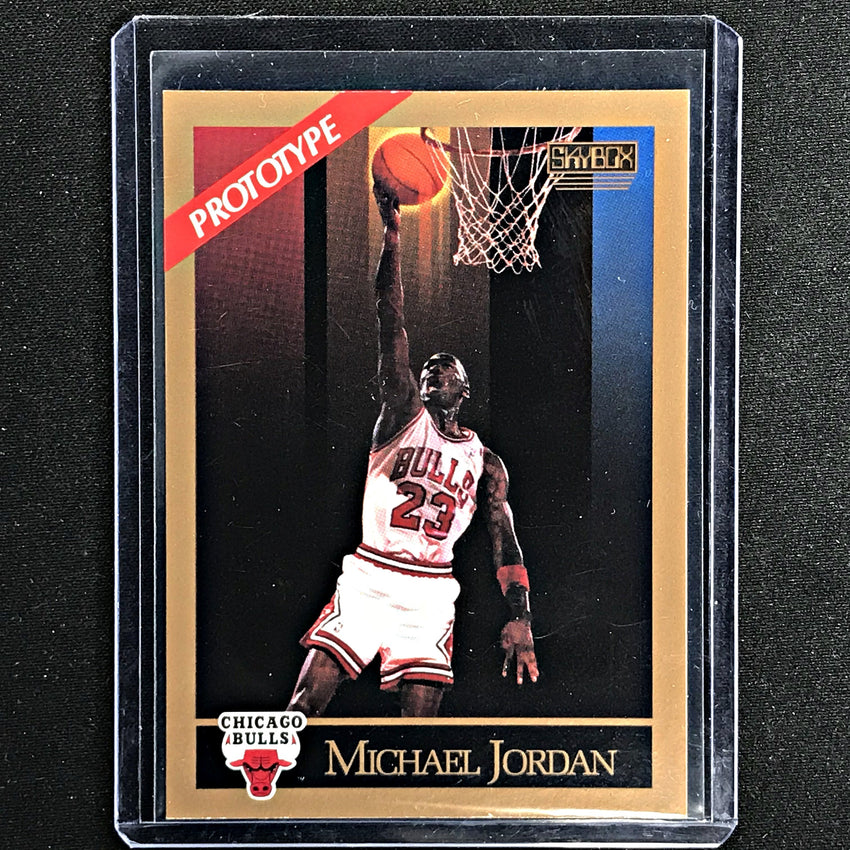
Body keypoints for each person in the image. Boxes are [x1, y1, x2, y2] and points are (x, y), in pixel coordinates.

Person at [287, 187, 538, 718]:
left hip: (430, 593)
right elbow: (390, 318)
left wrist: (522, 618)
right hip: (371, 574)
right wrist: (393, 236)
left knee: (420, 729)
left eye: (445, 368)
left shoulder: (486, 463)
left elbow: (506, 544)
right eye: (428, 367)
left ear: (464, 389)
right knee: (305, 704)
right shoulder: (403, 411)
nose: (431, 369)